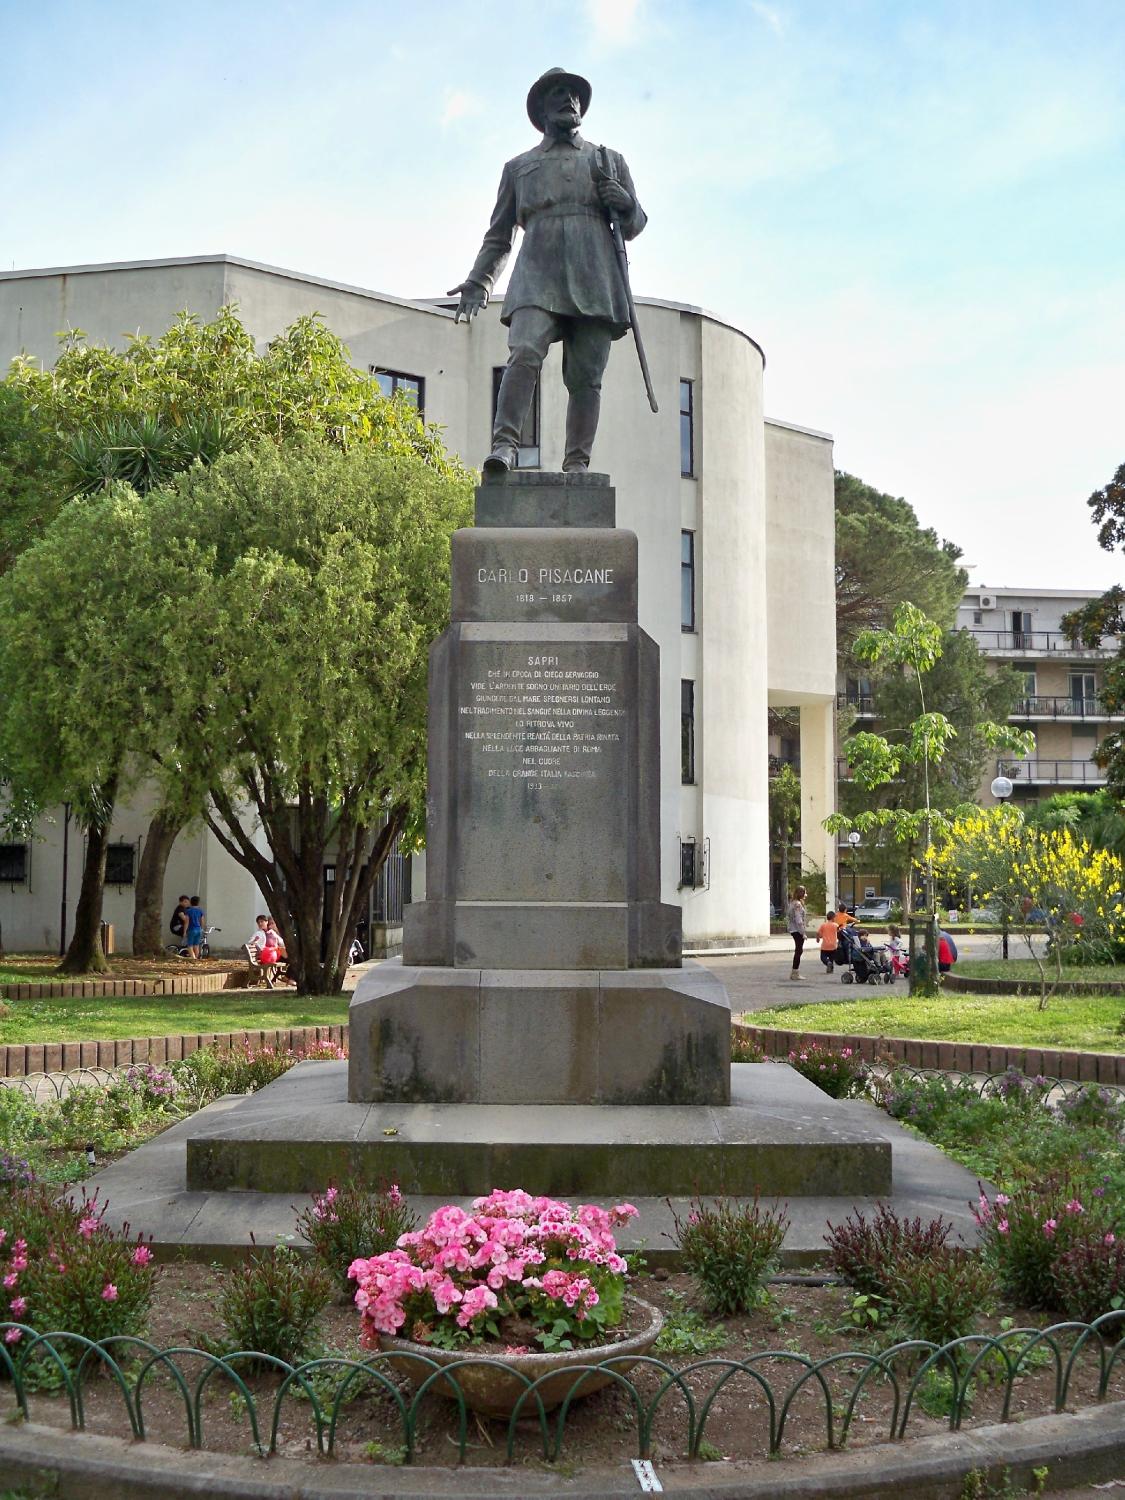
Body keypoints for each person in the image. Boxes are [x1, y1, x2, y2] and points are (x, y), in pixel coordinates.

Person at [449, 67, 646, 474]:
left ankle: (577, 464)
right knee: (523, 351)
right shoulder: (519, 168)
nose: (568, 99)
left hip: (594, 275)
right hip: (536, 273)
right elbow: (499, 236)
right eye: (557, 93)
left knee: (586, 376)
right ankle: (504, 446)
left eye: (573, 94)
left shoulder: (608, 160)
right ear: (541, 108)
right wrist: (479, 282)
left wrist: (626, 203)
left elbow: (635, 225)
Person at [786, 885, 808, 980]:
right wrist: (802, 932)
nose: (806, 895)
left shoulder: (793, 903)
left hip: (793, 928)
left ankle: (795, 972)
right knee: (799, 950)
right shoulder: (798, 904)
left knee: (799, 950)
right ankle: (795, 972)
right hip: (797, 929)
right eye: (804, 893)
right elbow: (799, 919)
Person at [183, 895, 205, 960]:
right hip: (198, 929)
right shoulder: (200, 911)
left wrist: (184, 931)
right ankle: (197, 957)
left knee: (190, 945)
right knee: (196, 945)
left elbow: (186, 922)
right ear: (198, 903)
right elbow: (202, 921)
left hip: (191, 929)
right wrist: (202, 928)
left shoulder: (188, 911)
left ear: (190, 902)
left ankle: (193, 958)